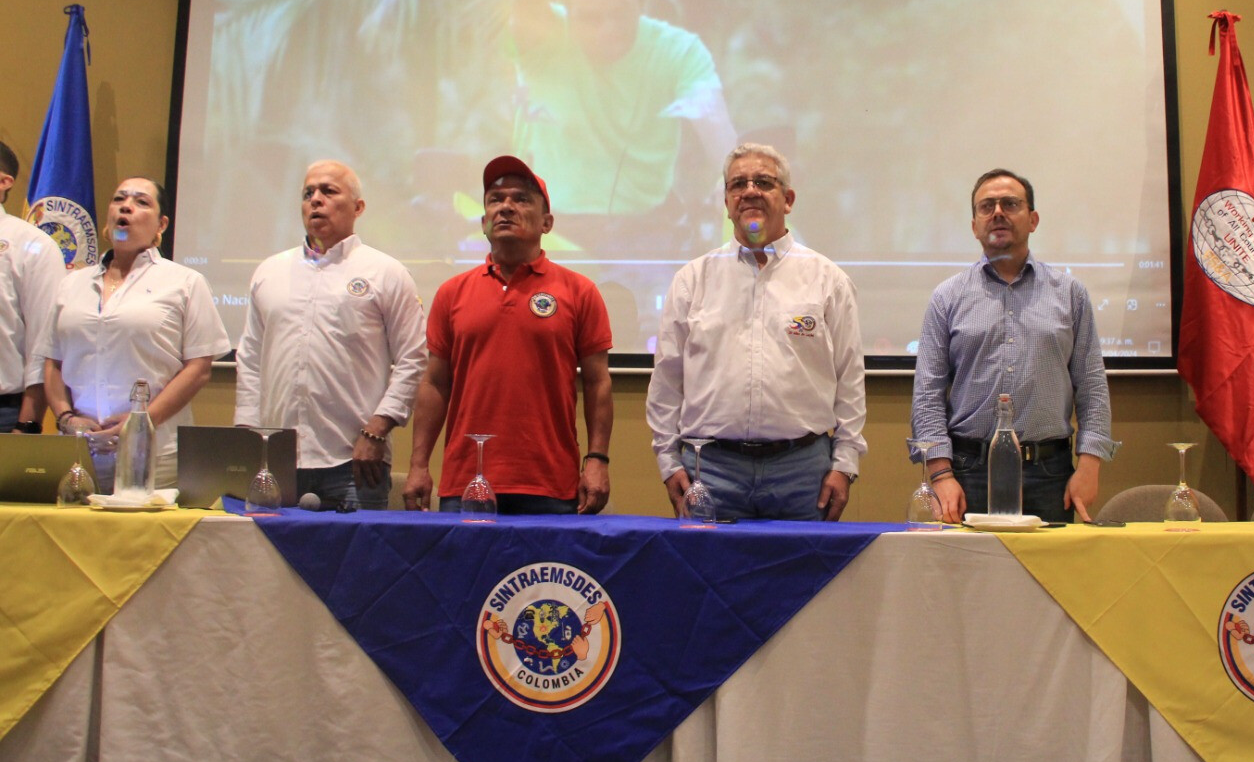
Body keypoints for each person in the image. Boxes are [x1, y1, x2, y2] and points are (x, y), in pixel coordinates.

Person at [646, 142, 867, 521]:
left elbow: (850, 380)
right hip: (709, 470)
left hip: (804, 472)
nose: (750, 191)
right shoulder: (692, 281)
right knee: (706, 562)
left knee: (805, 564)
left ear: (788, 199)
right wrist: (668, 461)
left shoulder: (828, 280)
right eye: (738, 184)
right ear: (726, 201)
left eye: (764, 182)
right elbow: (667, 380)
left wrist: (845, 463)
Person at [506, 0, 736, 240]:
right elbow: (524, 8)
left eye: (619, 13)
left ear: (641, 2)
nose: (607, 30)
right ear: (566, 12)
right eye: (590, 17)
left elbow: (714, 121)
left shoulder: (679, 51)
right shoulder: (544, 40)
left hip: (648, 230)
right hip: (552, 231)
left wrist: (735, 177)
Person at [403, 155, 613, 514]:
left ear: (547, 222)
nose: (506, 207)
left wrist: (597, 459)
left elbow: (598, 383)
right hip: (465, 480)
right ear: (483, 221)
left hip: (550, 483)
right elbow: (435, 384)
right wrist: (418, 465)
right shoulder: (452, 293)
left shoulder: (580, 291)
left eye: (521, 199)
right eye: (495, 200)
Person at [911, 168, 1116, 523]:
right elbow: (927, 393)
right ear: (974, 225)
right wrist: (941, 475)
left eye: (1010, 204)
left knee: (1051, 562)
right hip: (967, 474)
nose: (998, 213)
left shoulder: (1070, 294)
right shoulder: (947, 297)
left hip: (1050, 475)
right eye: (986, 206)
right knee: (970, 563)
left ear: (1033, 219)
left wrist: (1089, 465)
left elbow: (1092, 385)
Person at [234, 160, 427, 509]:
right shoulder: (269, 272)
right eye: (308, 193)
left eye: (328, 191)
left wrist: (377, 429)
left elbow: (413, 358)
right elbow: (250, 358)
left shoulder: (386, 272)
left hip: (355, 459)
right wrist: (247, 435)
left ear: (358, 207)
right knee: (267, 547)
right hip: (276, 460)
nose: (316, 199)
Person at [45, 177, 231, 488]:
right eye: (119, 199)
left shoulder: (185, 282)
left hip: (155, 455)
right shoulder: (71, 284)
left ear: (162, 224)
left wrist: (141, 423)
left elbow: (198, 368)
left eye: (141, 202)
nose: (126, 207)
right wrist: (66, 418)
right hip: (79, 452)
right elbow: (53, 362)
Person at [0, 141, 67, 433]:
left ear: (4, 182)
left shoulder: (31, 245)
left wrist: (27, 425)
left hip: (5, 413)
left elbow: (45, 343)